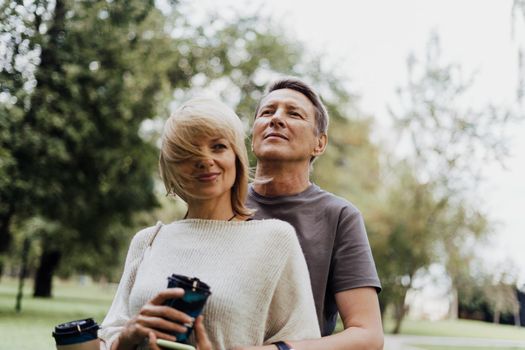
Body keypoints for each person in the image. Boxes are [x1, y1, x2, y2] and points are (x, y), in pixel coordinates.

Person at [98, 97, 320, 350]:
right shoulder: (148, 240)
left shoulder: (275, 240)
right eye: (187, 153)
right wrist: (126, 337)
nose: (204, 159)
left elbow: (303, 343)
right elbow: (108, 335)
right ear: (169, 168)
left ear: (236, 156)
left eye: (217, 147)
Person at [243, 77, 384, 350]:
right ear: (253, 137)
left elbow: (368, 335)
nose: (276, 119)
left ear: (319, 144)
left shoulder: (340, 216)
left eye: (293, 114)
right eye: (267, 112)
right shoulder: (220, 204)